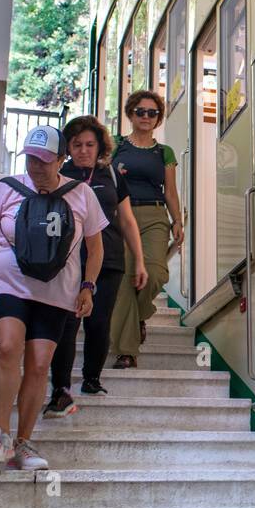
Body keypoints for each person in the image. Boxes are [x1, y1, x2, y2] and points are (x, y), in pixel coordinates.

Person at [0, 125, 107, 469]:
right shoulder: (6, 188)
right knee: (7, 347)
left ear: (62, 159)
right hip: (10, 283)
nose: (36, 166)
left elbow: (96, 246)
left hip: (58, 291)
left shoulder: (82, 194)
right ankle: (1, 435)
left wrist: (88, 286)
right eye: (31, 158)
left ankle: (24, 442)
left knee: (40, 364)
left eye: (44, 160)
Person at [43, 116, 148, 418]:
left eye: (90, 145)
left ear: (100, 146)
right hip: (70, 261)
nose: (84, 151)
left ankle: (91, 379)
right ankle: (60, 387)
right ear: (68, 147)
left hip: (111, 259)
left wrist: (138, 260)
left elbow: (127, 220)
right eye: (77, 145)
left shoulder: (112, 175)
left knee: (99, 323)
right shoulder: (59, 174)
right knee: (67, 324)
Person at [110, 90, 183, 368]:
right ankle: (126, 351)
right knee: (125, 280)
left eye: (152, 113)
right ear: (130, 114)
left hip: (154, 215)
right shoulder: (116, 145)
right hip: (120, 215)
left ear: (158, 118)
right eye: (140, 111)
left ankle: (140, 314)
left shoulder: (164, 152)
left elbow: (171, 192)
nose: (146, 117)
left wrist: (177, 220)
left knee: (154, 272)